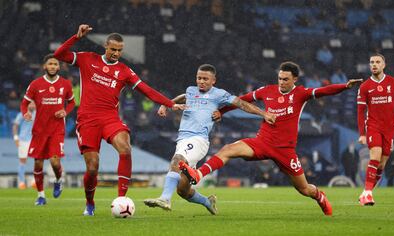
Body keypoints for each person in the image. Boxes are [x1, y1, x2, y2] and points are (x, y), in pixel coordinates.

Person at [179, 61, 363, 216]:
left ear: (294, 80)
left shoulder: (300, 94)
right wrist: (221, 110)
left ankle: (319, 196)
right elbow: (241, 100)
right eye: (280, 78)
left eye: (285, 79)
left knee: (304, 189)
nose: (281, 82)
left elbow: (323, 91)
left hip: (285, 150)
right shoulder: (267, 91)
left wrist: (344, 86)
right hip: (262, 142)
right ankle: (198, 174)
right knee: (228, 149)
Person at [54, 24, 185, 216]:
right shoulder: (87, 59)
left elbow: (146, 90)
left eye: (119, 50)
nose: (116, 53)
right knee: (92, 167)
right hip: (87, 119)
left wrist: (170, 104)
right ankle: (90, 203)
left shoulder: (125, 71)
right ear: (106, 47)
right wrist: (76, 37)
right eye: (113, 49)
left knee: (125, 148)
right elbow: (59, 54)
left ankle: (122, 198)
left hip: (110, 118)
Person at [143, 64, 275, 214]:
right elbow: (184, 96)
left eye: (205, 79)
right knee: (183, 190)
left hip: (198, 140)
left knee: (177, 161)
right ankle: (208, 201)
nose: (201, 81)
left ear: (213, 80)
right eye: (199, 78)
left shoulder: (219, 94)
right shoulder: (191, 90)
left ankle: (165, 198)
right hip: (183, 140)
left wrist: (264, 114)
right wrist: (167, 104)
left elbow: (241, 104)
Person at [20, 54, 76, 205]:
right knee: (38, 163)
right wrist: (25, 112)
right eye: (50, 64)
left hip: (57, 129)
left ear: (59, 67)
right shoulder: (35, 84)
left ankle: (58, 180)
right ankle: (41, 196)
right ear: (44, 66)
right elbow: (24, 103)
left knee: (55, 162)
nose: (52, 66)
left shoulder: (65, 84)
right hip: (39, 130)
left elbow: (71, 103)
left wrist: (65, 111)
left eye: (55, 64)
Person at [357, 53, 394, 206]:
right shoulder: (365, 87)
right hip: (373, 126)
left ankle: (366, 193)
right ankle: (368, 194)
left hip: (389, 128)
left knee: (381, 165)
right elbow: (360, 112)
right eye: (372, 62)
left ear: (384, 65)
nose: (374, 64)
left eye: (377, 62)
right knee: (375, 156)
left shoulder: (393, 82)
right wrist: (362, 133)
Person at [12, 102, 36, 189]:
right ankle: (21, 183)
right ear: (27, 105)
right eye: (31, 104)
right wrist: (16, 138)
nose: (33, 106)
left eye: (34, 104)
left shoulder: (37, 114)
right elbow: (15, 126)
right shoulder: (22, 114)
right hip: (23, 140)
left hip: (34, 140)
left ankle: (34, 182)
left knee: (36, 160)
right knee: (23, 161)